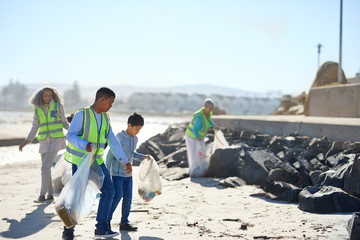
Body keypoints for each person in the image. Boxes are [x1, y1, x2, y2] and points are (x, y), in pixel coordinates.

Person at [62, 87, 130, 240]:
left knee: (109, 191)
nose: (110, 106)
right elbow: (70, 135)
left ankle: (101, 228)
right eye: (110, 103)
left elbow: (112, 140)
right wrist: (83, 144)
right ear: (102, 99)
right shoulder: (82, 114)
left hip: (97, 161)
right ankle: (68, 231)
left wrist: (124, 160)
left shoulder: (106, 118)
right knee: (76, 197)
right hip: (81, 162)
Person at [19, 86, 69, 203]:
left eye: (50, 95)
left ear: (53, 96)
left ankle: (42, 195)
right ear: (41, 96)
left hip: (56, 141)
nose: (47, 97)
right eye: (45, 95)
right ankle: (50, 194)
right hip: (44, 142)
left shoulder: (58, 107)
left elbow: (64, 123)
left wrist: (74, 133)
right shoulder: (37, 109)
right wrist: (26, 142)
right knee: (46, 169)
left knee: (44, 168)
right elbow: (34, 127)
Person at [106, 112, 150, 232]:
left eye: (140, 130)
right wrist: (107, 172)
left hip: (128, 175)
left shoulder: (135, 139)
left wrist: (142, 157)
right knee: (117, 196)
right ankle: (106, 220)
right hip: (116, 174)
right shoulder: (119, 137)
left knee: (128, 198)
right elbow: (110, 154)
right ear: (129, 125)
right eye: (136, 129)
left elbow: (132, 154)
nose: (138, 132)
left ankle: (124, 223)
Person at [185, 98, 218, 177]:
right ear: (205, 106)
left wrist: (214, 126)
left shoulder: (208, 113)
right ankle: (194, 171)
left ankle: (200, 168)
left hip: (200, 136)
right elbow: (195, 128)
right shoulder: (199, 116)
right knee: (193, 153)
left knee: (201, 153)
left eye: (212, 108)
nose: (211, 109)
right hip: (192, 136)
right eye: (210, 108)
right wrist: (197, 137)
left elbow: (209, 121)